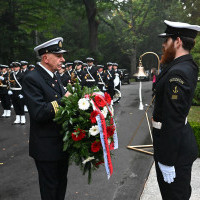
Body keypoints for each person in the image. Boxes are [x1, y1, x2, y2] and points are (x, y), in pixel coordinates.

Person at [152, 20, 200, 199]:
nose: (163, 44)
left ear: (178, 42)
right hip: (175, 145)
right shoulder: (182, 65)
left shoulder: (178, 72)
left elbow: (174, 119)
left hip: (174, 151)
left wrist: (167, 160)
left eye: (167, 40)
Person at [22, 37, 71, 200]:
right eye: (58, 56)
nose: (63, 59)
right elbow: (39, 113)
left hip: (61, 145)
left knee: (61, 186)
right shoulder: (32, 78)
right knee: (50, 190)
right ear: (45, 58)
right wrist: (64, 100)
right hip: (46, 148)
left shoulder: (55, 77)